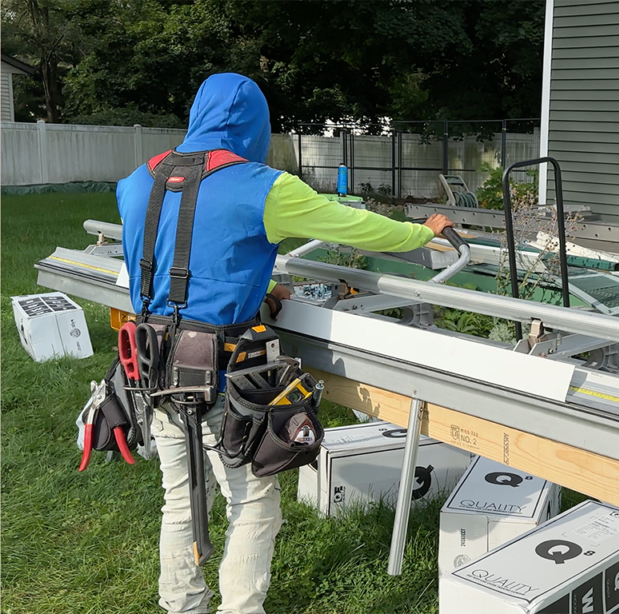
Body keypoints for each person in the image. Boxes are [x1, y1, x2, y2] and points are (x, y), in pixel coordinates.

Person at [115, 72, 453, 614]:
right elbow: (355, 226)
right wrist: (421, 233)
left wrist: (261, 286)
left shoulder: (138, 181)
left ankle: (182, 603)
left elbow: (170, 263)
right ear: (255, 125)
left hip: (152, 366)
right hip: (224, 374)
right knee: (251, 499)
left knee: (179, 496)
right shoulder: (263, 186)